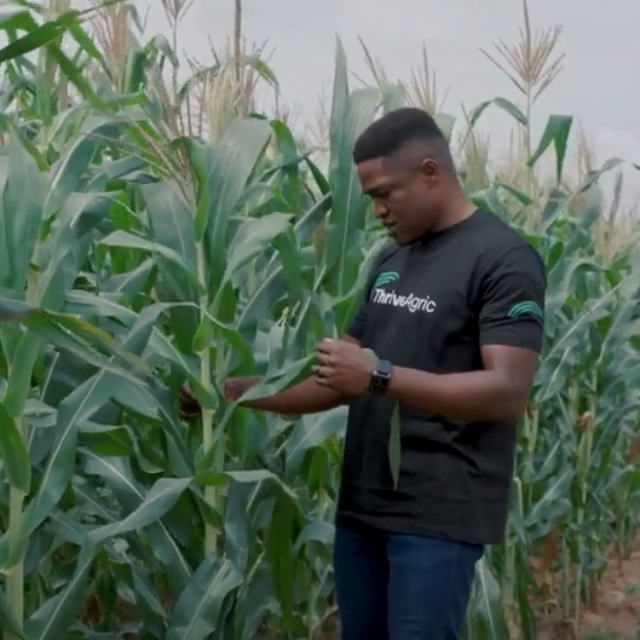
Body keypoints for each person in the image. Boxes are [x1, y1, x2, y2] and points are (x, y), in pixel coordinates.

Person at [180, 107, 547, 640]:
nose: (375, 210)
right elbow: (338, 375)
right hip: (364, 510)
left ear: (429, 172)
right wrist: (237, 393)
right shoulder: (392, 259)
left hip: (438, 517)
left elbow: (506, 391)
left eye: (384, 193)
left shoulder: (503, 258)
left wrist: (380, 376)